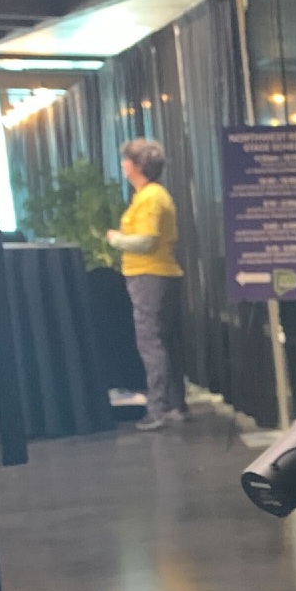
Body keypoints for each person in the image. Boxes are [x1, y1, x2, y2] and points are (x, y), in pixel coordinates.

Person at [106, 137, 186, 431]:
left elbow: (146, 240)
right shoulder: (150, 195)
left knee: (151, 342)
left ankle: (158, 409)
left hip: (149, 275)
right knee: (165, 342)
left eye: (126, 160)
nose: (123, 165)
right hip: (158, 275)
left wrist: (116, 239)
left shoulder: (150, 197)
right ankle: (175, 404)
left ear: (138, 165)